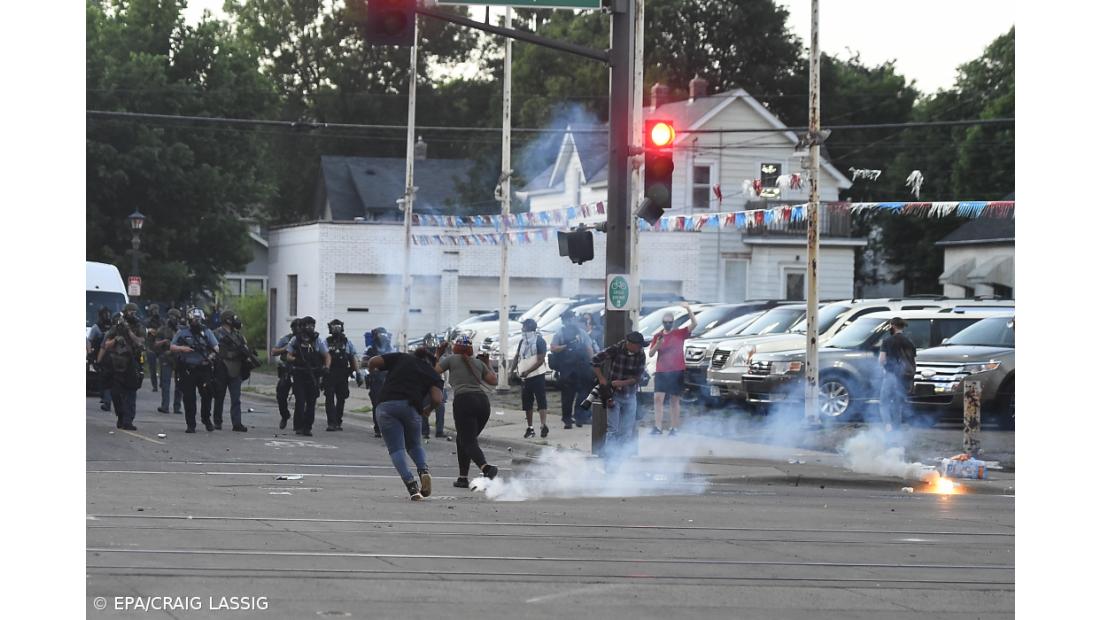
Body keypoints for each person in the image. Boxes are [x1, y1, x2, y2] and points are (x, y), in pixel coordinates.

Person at [367, 348, 445, 500]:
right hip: (411, 408)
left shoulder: (402, 358)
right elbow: (437, 399)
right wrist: (428, 409)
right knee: (415, 445)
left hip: (386, 406)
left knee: (396, 449)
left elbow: (373, 361)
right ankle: (423, 470)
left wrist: (372, 373)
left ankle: (411, 485)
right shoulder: (432, 374)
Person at [436, 336, 499, 488]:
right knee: (463, 439)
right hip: (482, 403)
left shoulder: (451, 359)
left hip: (464, 401)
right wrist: (488, 363)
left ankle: (486, 468)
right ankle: (463, 478)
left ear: (456, 347)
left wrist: (438, 354)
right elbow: (493, 381)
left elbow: (435, 371)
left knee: (467, 441)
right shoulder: (478, 362)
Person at [592, 331, 648, 455]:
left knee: (627, 430)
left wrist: (621, 383)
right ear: (630, 344)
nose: (640, 348)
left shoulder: (640, 354)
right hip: (614, 396)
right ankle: (609, 456)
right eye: (638, 345)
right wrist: (601, 378)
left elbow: (638, 378)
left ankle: (621, 457)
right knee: (613, 429)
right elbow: (595, 360)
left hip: (630, 395)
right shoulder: (617, 349)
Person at [648, 304, 696, 436]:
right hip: (662, 371)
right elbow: (651, 354)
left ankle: (674, 428)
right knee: (658, 398)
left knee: (674, 400)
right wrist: (658, 344)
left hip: (676, 370)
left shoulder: (679, 333)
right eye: (665, 322)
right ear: (663, 323)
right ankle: (658, 427)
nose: (668, 324)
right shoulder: (658, 336)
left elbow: (694, 323)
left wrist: (688, 309)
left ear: (673, 322)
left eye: (670, 322)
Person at [171, 307, 220, 433]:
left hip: (203, 368)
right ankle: (191, 424)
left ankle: (206, 419)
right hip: (187, 369)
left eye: (198, 320)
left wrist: (210, 358)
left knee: (207, 394)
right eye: (194, 320)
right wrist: (182, 349)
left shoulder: (207, 332)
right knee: (189, 397)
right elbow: (172, 346)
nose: (196, 322)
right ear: (189, 320)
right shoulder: (182, 332)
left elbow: (216, 348)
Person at [97, 304, 146, 430]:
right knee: (116, 393)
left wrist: (129, 331)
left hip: (132, 362)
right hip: (116, 362)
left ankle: (128, 420)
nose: (132, 314)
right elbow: (106, 344)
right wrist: (116, 340)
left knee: (131, 392)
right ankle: (121, 416)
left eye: (134, 311)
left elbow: (140, 342)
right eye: (130, 311)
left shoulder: (139, 327)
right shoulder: (116, 327)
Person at [550, 310, 595, 430]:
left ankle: (576, 418)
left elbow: (588, 348)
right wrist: (566, 346)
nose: (572, 321)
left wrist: (593, 364)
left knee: (579, 394)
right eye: (570, 318)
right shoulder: (562, 333)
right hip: (570, 369)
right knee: (571, 396)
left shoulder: (579, 332)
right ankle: (570, 419)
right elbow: (553, 348)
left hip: (576, 369)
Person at [286, 316, 331, 436]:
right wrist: (297, 360)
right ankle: (298, 426)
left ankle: (308, 427)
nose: (310, 328)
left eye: (312, 325)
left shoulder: (317, 340)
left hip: (313, 375)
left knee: (311, 403)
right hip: (299, 374)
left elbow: (327, 355)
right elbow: (288, 355)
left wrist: (326, 367)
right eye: (308, 325)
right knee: (300, 401)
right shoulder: (296, 340)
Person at [212, 310, 251, 432]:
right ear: (227, 320)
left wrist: (245, 352)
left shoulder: (238, 335)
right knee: (219, 396)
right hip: (222, 366)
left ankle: (237, 423)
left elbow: (245, 347)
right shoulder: (216, 333)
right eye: (233, 318)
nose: (236, 320)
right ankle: (217, 421)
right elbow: (214, 349)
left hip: (236, 367)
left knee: (236, 398)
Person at [512, 318, 549, 439]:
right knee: (527, 403)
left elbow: (540, 360)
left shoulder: (540, 341)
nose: (522, 329)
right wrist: (512, 370)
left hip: (537, 375)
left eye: (524, 327)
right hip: (525, 377)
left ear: (529, 327)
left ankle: (543, 425)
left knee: (540, 400)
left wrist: (528, 371)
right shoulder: (522, 341)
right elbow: (517, 356)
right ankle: (530, 427)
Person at [879, 317, 917, 432]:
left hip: (891, 375)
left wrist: (885, 369)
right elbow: (913, 362)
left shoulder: (887, 341)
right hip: (904, 378)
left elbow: (881, 360)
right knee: (897, 404)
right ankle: (896, 429)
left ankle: (887, 425)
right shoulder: (909, 342)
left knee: (884, 402)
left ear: (893, 326)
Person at [324, 319, 361, 432]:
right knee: (329, 398)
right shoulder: (326, 342)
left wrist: (358, 373)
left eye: (338, 327)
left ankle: (338, 421)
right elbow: (322, 355)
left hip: (343, 374)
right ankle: (331, 422)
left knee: (341, 398)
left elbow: (353, 357)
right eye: (334, 327)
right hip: (329, 374)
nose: (336, 329)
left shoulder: (347, 342)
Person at [364, 327, 393, 437]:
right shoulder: (370, 350)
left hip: (388, 381)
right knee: (377, 405)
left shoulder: (390, 349)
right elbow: (364, 363)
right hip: (375, 381)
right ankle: (378, 428)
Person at [154, 308, 183, 414]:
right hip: (166, 357)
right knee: (166, 384)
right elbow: (156, 344)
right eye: (171, 316)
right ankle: (165, 406)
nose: (173, 319)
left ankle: (177, 406)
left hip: (179, 358)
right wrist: (164, 341)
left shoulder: (181, 330)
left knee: (179, 383)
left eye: (175, 317)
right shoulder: (162, 329)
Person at [271, 319, 299, 430]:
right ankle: (285, 415)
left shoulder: (306, 340)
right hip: (287, 370)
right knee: (281, 395)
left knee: (301, 398)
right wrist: (285, 348)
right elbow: (274, 351)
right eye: (295, 327)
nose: (297, 329)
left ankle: (298, 422)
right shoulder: (286, 339)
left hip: (300, 370)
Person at [87, 306, 113, 412]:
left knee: (106, 379)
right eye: (105, 314)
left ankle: (107, 400)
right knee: (102, 379)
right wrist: (90, 354)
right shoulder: (96, 327)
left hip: (111, 357)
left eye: (108, 314)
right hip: (100, 356)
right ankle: (106, 398)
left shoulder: (113, 327)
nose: (107, 316)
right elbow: (89, 341)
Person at [144, 304, 162, 392]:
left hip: (160, 346)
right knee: (152, 368)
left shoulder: (162, 321)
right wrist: (149, 331)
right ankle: (154, 385)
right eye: (153, 309)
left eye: (156, 309)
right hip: (151, 346)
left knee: (163, 367)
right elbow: (144, 332)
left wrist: (157, 331)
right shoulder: (147, 321)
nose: (155, 311)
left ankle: (162, 382)